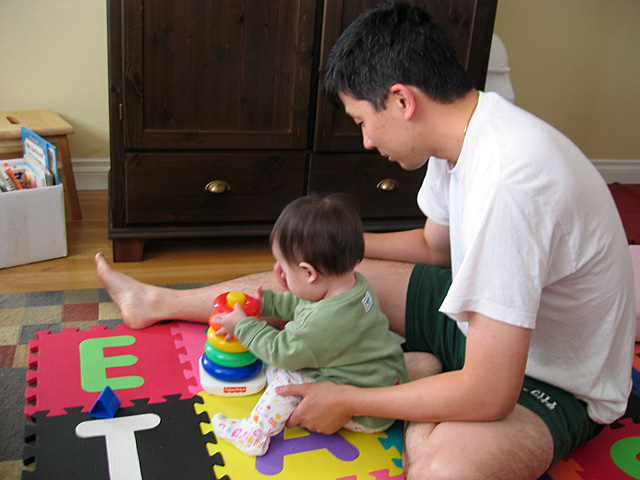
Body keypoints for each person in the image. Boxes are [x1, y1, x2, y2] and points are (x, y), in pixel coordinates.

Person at [96, 2, 635, 479]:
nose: (365, 139)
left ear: (402, 100)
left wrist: (347, 398)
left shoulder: (509, 183)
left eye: (362, 119)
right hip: (475, 328)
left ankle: (425, 394)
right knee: (325, 278)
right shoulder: (465, 139)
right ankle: (156, 301)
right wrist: (333, 251)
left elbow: (492, 393)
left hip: (550, 380)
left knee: (447, 469)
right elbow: (434, 249)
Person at [209, 193, 407, 455]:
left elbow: (280, 352)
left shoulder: (323, 323)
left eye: (284, 269)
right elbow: (304, 303)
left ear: (309, 272)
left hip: (365, 411)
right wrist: (264, 303)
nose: (278, 273)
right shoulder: (353, 283)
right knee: (293, 353)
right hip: (385, 381)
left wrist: (243, 327)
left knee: (285, 377)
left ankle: (253, 434)